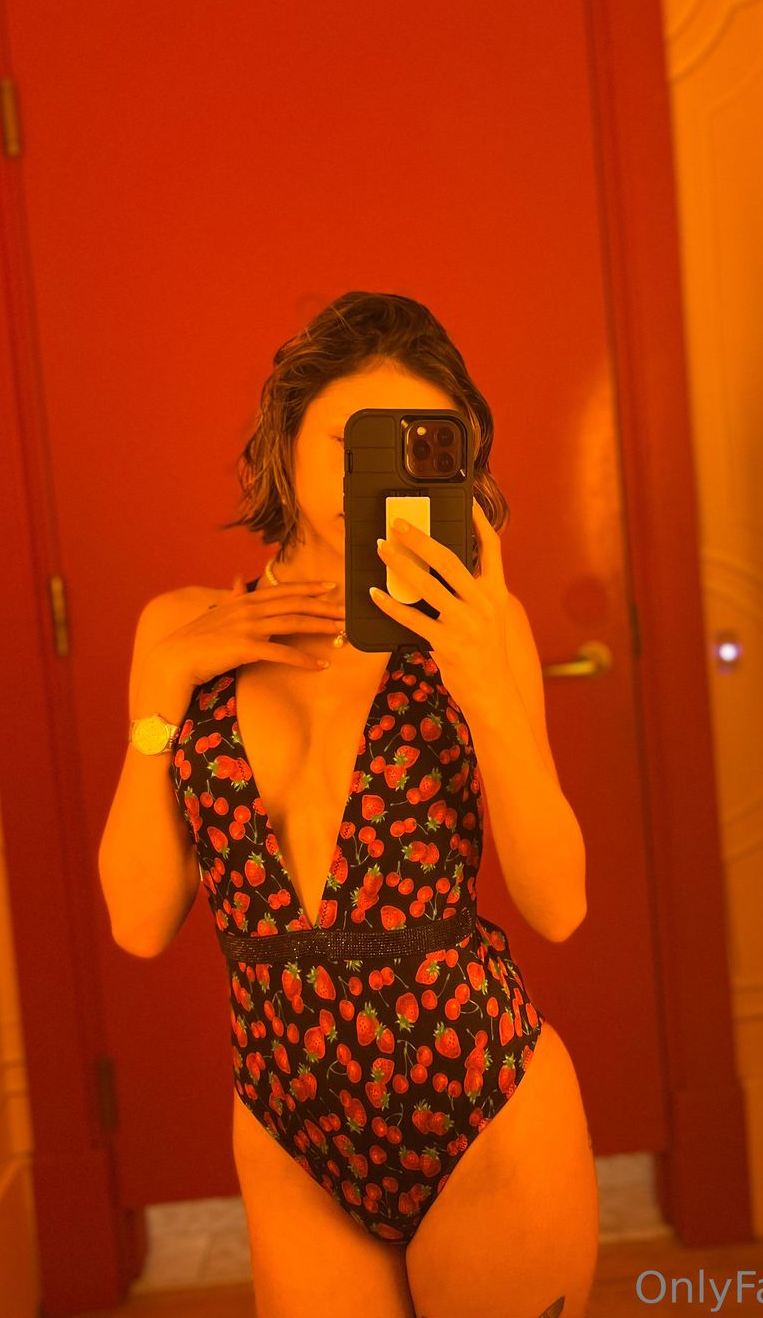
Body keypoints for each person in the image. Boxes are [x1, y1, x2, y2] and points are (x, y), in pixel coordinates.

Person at [99, 291, 599, 1318]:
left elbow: (558, 906)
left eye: (413, 441)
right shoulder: (179, 632)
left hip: (483, 1104)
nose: (374, 471)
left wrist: (486, 685)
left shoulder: (480, 630)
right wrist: (159, 698)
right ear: (284, 440)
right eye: (349, 439)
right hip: (288, 1130)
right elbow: (138, 922)